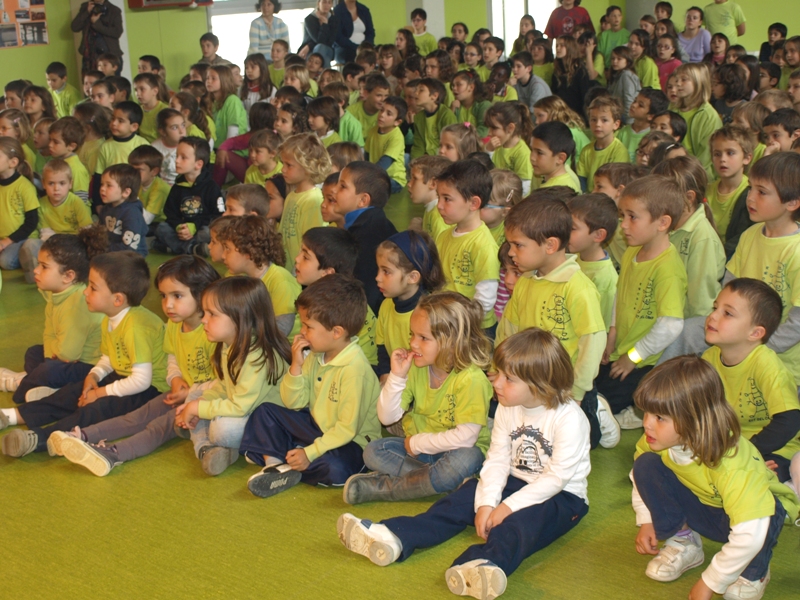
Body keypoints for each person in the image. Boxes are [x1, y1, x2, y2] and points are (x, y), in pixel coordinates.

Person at [337, 328, 591, 600]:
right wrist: (485, 503)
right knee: (460, 499)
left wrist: (505, 507)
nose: (498, 383)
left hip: (562, 497)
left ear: (541, 384)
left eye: (509, 379)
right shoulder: (507, 407)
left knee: (518, 524)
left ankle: (484, 565)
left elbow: (555, 479)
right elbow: (496, 460)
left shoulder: (570, 418)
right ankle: (394, 536)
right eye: (499, 374)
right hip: (516, 482)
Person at [630, 356, 797, 600]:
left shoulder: (730, 462)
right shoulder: (658, 440)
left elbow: (751, 531)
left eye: (659, 418)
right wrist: (647, 519)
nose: (647, 425)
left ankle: (755, 571)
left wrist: (711, 582)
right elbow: (639, 475)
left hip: (754, 518)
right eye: (646, 413)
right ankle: (684, 540)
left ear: (695, 419)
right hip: (706, 508)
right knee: (645, 464)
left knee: (766, 512)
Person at [54, 257, 220, 476]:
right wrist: (176, 379)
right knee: (138, 416)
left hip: (208, 399)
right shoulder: (174, 324)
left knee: (158, 427)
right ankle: (82, 435)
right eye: (163, 296)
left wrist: (190, 393)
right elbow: (172, 357)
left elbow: (225, 382)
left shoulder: (215, 332)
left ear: (201, 295)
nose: (168, 304)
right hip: (182, 393)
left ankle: (114, 454)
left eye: (177, 296)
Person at [0, 251, 168, 458]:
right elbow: (109, 357)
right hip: (123, 377)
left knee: (96, 409)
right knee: (73, 392)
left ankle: (39, 439)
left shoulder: (137, 326)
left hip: (150, 390)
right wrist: (94, 376)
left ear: (117, 299)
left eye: (93, 288)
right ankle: (11, 416)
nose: (85, 292)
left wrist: (100, 393)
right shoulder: (111, 318)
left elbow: (142, 380)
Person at [240, 274, 381, 497]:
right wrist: (296, 366)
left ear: (336, 332)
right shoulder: (317, 353)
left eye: (308, 326)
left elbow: (346, 429)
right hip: (317, 428)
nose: (302, 332)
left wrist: (311, 452)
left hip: (350, 442)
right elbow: (294, 402)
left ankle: (290, 461)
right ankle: (275, 465)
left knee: (336, 467)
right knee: (265, 412)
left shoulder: (354, 370)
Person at [344, 291, 492, 504]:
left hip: (456, 453)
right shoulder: (418, 367)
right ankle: (441, 484)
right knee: (373, 451)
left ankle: (388, 489)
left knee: (465, 458)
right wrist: (397, 376)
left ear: (452, 342)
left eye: (423, 338)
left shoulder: (471, 379)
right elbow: (387, 418)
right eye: (412, 335)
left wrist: (419, 442)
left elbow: (466, 438)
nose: (413, 343)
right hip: (421, 455)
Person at [595, 176, 686, 428]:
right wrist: (612, 333)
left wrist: (633, 357)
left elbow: (670, 325)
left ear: (662, 223)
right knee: (589, 389)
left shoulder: (668, 269)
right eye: (622, 215)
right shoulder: (633, 252)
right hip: (620, 351)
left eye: (632, 217)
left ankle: (637, 410)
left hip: (645, 363)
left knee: (600, 402)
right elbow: (620, 295)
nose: (623, 225)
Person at [703, 279, 800, 483]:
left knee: (752, 479)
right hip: (729, 447)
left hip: (773, 450)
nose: (712, 316)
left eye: (727, 313)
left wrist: (748, 453)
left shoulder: (766, 364)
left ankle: (788, 492)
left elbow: (789, 420)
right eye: (715, 308)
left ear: (755, 333)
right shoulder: (709, 359)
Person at [0, 231, 105, 401]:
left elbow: (68, 355)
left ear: (68, 276)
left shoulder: (77, 303)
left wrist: (53, 359)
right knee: (33, 353)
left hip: (89, 367)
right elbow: (49, 333)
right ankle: (48, 386)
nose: (36, 270)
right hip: (66, 358)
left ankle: (21, 384)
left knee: (48, 370)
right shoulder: (54, 295)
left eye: (44, 266)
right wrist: (51, 356)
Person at [725, 152, 800, 385]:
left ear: (792, 203)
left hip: (783, 365)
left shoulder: (796, 251)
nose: (750, 198)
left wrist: (754, 348)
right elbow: (729, 288)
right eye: (750, 188)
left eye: (762, 192)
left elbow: (797, 324)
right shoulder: (749, 236)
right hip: (741, 347)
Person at [652, 156, 725, 361]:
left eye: (661, 195)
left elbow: (700, 305)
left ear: (689, 197)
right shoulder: (669, 227)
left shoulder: (701, 238)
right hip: (666, 325)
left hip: (684, 338)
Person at [293, 226, 378, 367]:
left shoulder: (332, 303)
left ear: (327, 273)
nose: (296, 259)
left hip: (356, 369)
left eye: (306, 257)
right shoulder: (320, 295)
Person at [434, 160, 500, 335]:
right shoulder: (443, 236)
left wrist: (461, 325)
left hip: (475, 329)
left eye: (447, 199)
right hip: (448, 322)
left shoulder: (483, 245)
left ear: (474, 203)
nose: (439, 205)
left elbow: (485, 299)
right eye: (438, 197)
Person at [217, 215, 300, 338]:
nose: (223, 256)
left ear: (248, 252)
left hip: (286, 347)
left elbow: (282, 328)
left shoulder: (280, 280)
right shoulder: (238, 277)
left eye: (228, 249)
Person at [18, 161, 94, 284]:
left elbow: (86, 229)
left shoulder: (77, 202)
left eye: (62, 183)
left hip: (74, 242)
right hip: (51, 241)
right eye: (51, 183)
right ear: (43, 184)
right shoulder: (41, 204)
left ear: (70, 184)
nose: (56, 188)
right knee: (30, 244)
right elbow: (44, 231)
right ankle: (37, 274)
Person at [155, 137, 223, 257]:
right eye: (177, 156)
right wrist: (178, 226)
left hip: (200, 229)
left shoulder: (212, 187)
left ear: (198, 164)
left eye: (183, 157)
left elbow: (217, 216)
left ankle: (175, 246)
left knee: (208, 232)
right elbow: (170, 213)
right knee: (162, 228)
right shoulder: (177, 187)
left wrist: (195, 226)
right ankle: (193, 249)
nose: (176, 161)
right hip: (182, 231)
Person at [278, 133, 331, 272]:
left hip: (302, 272)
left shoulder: (314, 200)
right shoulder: (291, 196)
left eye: (289, 165)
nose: (282, 169)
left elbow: (314, 244)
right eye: (283, 163)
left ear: (308, 166)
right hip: (288, 269)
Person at [566, 194, 618, 333]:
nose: (564, 231)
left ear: (598, 235)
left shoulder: (606, 279)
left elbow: (600, 327)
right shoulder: (572, 257)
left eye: (572, 228)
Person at [71, 0, 124, 75]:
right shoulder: (86, 7)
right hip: (90, 56)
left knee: (112, 83)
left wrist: (96, 23)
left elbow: (117, 32)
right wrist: (87, 12)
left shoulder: (114, 10)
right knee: (91, 83)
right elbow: (75, 27)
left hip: (110, 55)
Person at [333, 0, 375, 65]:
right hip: (345, 49)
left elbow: (370, 32)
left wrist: (366, 46)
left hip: (364, 47)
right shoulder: (337, 11)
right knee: (356, 57)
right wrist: (356, 48)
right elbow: (338, 37)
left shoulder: (364, 9)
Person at [298, 0, 338, 68]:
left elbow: (330, 41)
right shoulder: (309, 19)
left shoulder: (334, 20)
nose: (326, 5)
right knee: (321, 51)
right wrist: (325, 24)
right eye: (324, 2)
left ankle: (319, 76)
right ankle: (325, 76)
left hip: (328, 49)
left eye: (329, 3)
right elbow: (318, 40)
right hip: (310, 51)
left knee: (320, 48)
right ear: (318, 3)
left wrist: (309, 45)